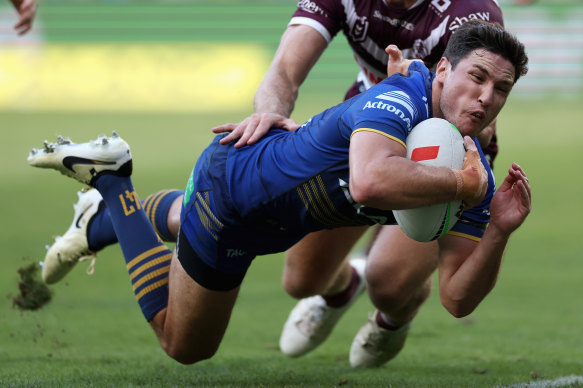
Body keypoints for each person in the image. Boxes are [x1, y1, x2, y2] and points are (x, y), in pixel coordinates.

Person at [29, 20, 530, 366]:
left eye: (501, 89)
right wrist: (463, 187)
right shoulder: (401, 98)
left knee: (180, 219)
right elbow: (370, 182)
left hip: (271, 209)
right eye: (476, 76)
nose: (486, 97)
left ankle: (97, 222)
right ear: (443, 70)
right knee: (182, 345)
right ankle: (115, 183)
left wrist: (499, 232)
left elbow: (456, 299)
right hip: (233, 197)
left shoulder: (472, 165)